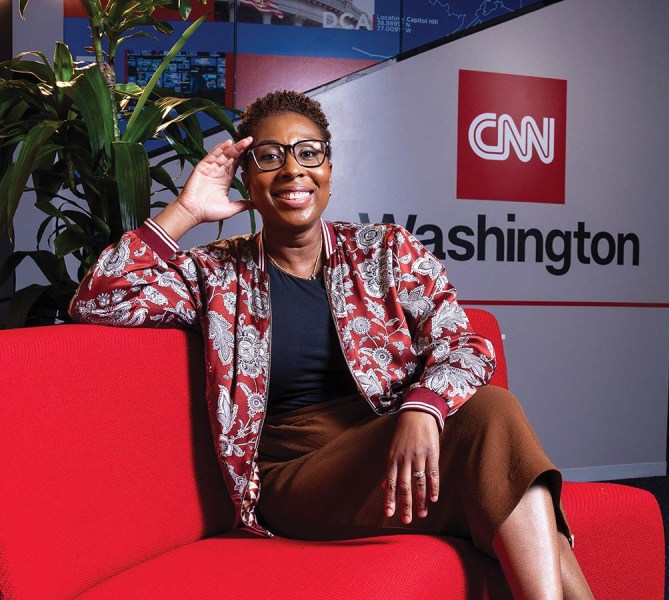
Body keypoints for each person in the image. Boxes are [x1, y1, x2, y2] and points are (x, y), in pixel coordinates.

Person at [69, 90, 594, 599]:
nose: (293, 170)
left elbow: (466, 344)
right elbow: (98, 297)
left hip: (389, 447)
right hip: (297, 477)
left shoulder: (386, 250)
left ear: (329, 171)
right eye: (270, 157)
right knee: (497, 427)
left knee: (505, 478)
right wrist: (186, 210)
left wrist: (422, 407)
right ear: (247, 178)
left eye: (308, 153)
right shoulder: (216, 274)